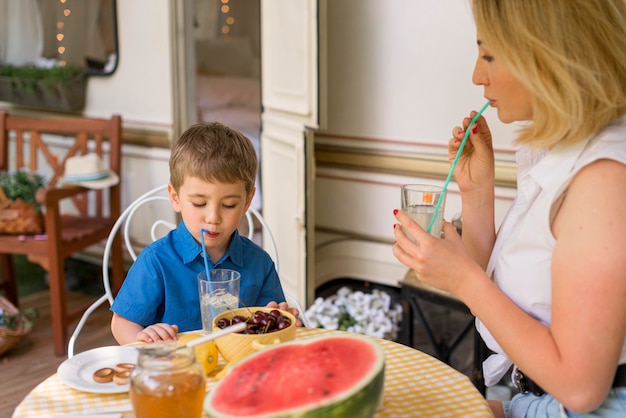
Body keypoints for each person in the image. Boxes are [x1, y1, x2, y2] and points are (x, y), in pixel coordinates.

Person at [393, 0, 626, 416]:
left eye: (489, 54)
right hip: (530, 397)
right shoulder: (557, 150)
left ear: (551, 53)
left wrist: (463, 280)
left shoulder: (604, 179)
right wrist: (476, 194)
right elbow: (515, 295)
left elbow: (580, 387)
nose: (476, 76)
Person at [111, 122, 300, 345]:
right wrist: (145, 338)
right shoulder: (157, 261)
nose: (213, 218)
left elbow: (268, 320)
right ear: (175, 197)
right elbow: (121, 323)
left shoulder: (259, 262)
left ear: (247, 201)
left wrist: (276, 318)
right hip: (177, 367)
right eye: (199, 203)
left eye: (229, 205)